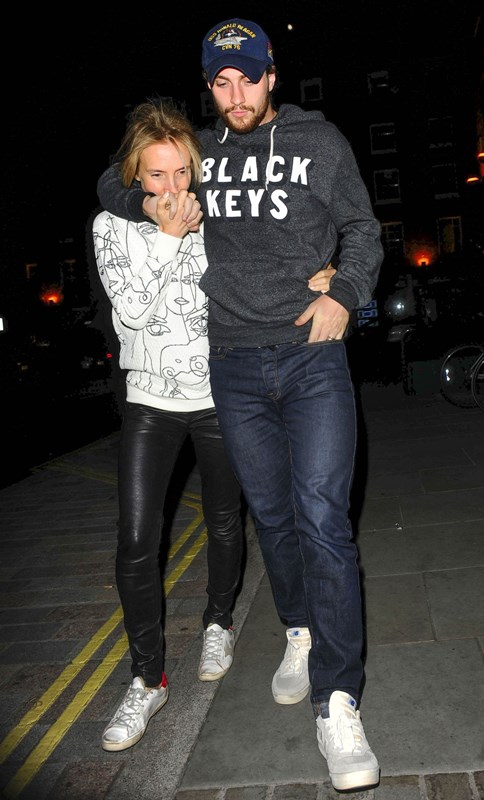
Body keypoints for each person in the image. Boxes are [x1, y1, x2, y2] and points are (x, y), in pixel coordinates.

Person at [97, 18, 384, 791]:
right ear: (209, 86)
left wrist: (345, 291)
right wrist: (156, 206)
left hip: (312, 355)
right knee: (276, 519)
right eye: (221, 82)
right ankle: (298, 629)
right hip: (232, 366)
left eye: (248, 78)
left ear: (272, 75)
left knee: (323, 518)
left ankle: (337, 700)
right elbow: (113, 184)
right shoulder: (197, 151)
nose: (236, 95)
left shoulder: (320, 142)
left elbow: (363, 228)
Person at [91, 99, 246, 753]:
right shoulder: (110, 225)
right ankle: (146, 679)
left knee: (225, 520)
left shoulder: (219, 214)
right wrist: (168, 235)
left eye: (183, 172)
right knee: (135, 540)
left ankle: (218, 622)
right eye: (157, 175)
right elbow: (128, 312)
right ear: (135, 175)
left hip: (218, 395)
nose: (173, 187)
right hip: (150, 401)